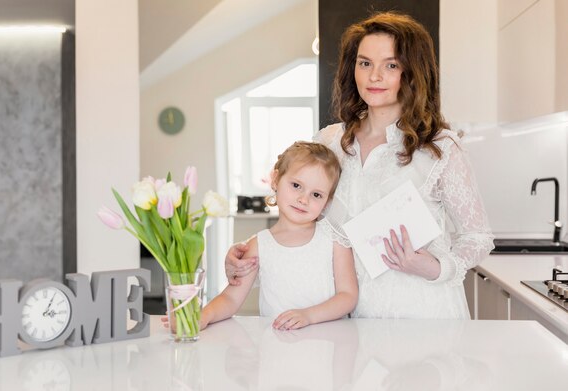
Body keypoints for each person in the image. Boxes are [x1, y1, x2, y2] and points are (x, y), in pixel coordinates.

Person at [225, 12, 494, 319]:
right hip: (348, 316)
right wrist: (245, 256)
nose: (374, 76)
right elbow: (302, 225)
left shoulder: (440, 147)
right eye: (365, 63)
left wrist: (436, 266)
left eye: (391, 65)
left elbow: (478, 237)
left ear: (413, 73)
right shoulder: (329, 142)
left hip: (424, 312)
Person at [201, 141, 358, 330]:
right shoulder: (258, 245)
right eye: (296, 185)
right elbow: (231, 298)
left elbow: (348, 296)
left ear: (327, 202)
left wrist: (308, 316)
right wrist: (204, 315)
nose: (303, 199)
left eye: (316, 195)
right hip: (276, 346)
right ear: (275, 180)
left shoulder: (335, 239)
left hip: (326, 343)